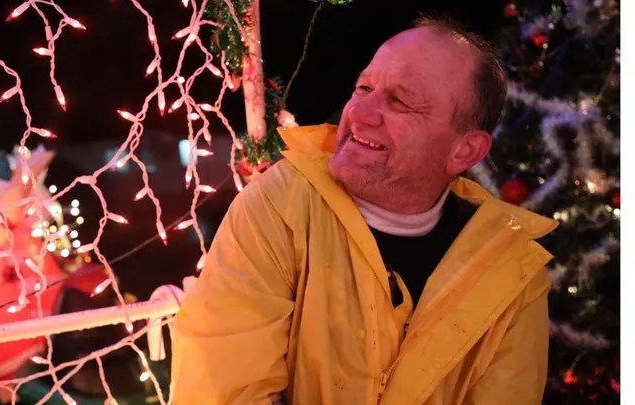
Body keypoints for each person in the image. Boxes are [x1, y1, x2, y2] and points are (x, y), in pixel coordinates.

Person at [171, 15, 557, 405]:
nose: (359, 113)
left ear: (465, 150)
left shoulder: (512, 271)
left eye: (401, 101)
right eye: (364, 88)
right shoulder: (280, 206)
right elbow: (224, 390)